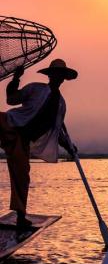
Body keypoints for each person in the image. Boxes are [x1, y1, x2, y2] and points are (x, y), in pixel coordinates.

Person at [0, 59, 78, 232]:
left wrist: (69, 147)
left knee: (22, 175)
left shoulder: (60, 105)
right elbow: (12, 99)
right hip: (7, 123)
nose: (57, 77)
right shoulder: (35, 89)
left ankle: (20, 216)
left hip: (22, 141)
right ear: (50, 75)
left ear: (64, 78)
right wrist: (15, 78)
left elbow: (57, 132)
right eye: (55, 73)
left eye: (61, 75)